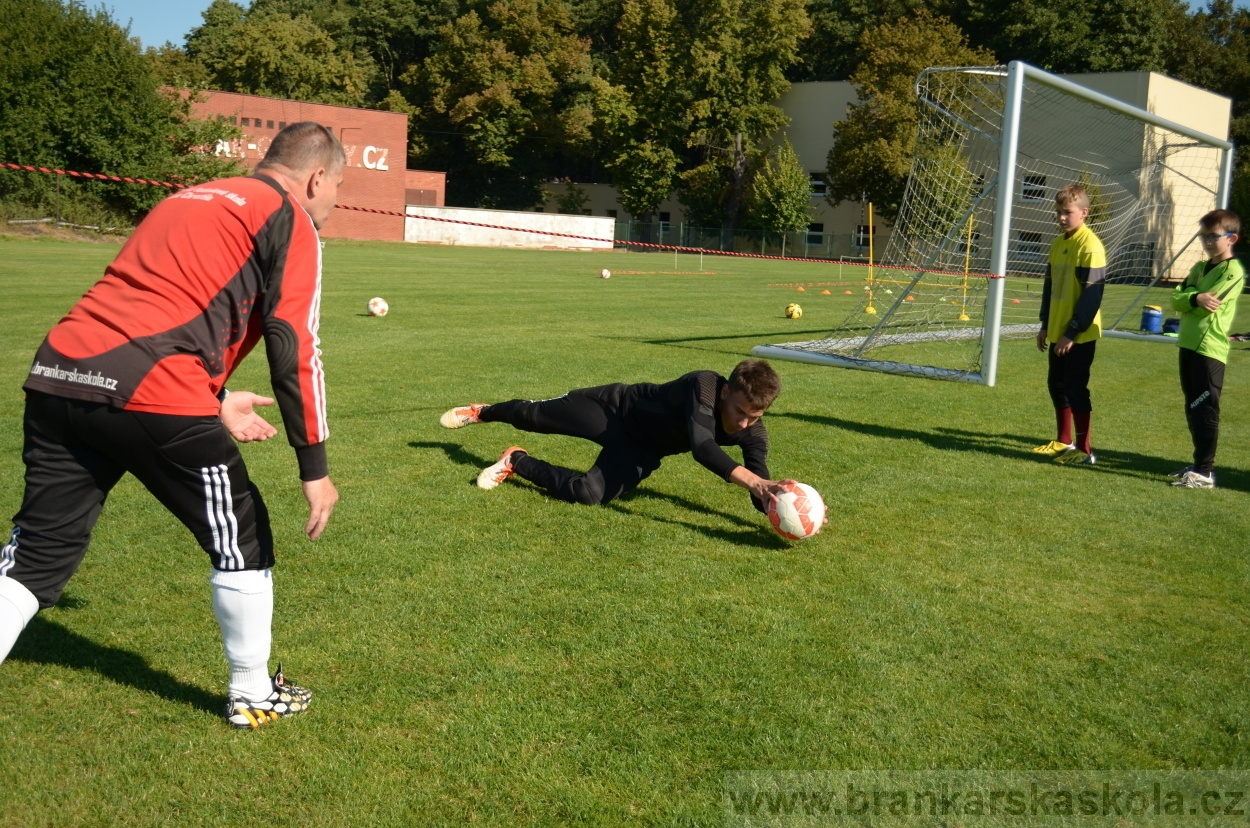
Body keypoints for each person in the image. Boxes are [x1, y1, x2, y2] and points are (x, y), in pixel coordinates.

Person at [0, 122, 342, 728]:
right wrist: (313, 466)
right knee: (242, 533)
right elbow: (294, 346)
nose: (334, 204)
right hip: (151, 387)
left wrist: (219, 395)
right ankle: (253, 692)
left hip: (59, 370)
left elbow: (157, 304)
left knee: (38, 555)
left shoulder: (190, 195)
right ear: (316, 177)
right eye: (337, 189)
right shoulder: (290, 218)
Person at [439, 359, 810, 523]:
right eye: (741, 411)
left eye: (754, 417)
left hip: (642, 449)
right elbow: (702, 446)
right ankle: (483, 411)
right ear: (728, 391)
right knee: (531, 417)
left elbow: (761, 489)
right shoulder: (705, 385)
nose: (744, 422)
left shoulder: (754, 433)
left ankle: (515, 461)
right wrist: (755, 481)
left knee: (588, 494)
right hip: (613, 409)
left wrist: (793, 509)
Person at [1167, 209, 1244, 489]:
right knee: (1192, 407)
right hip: (1187, 345)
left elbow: (1207, 308)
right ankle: (1199, 466)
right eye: (1204, 236)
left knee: (1205, 409)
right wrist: (1194, 298)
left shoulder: (1233, 271)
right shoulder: (1200, 268)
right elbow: (1176, 299)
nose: (1207, 242)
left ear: (1231, 238)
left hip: (1208, 350)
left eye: (1213, 236)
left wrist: (1194, 300)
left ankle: (1205, 473)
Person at [1033, 184, 1107, 465]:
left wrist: (1072, 332)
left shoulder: (1090, 246)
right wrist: (1045, 324)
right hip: (1058, 330)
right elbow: (1050, 288)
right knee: (1056, 384)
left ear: (1084, 212)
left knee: (1076, 387)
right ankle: (1063, 442)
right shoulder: (1057, 243)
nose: (1062, 218)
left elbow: (1092, 295)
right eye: (1059, 212)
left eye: (1068, 212)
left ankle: (1085, 450)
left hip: (1081, 334)